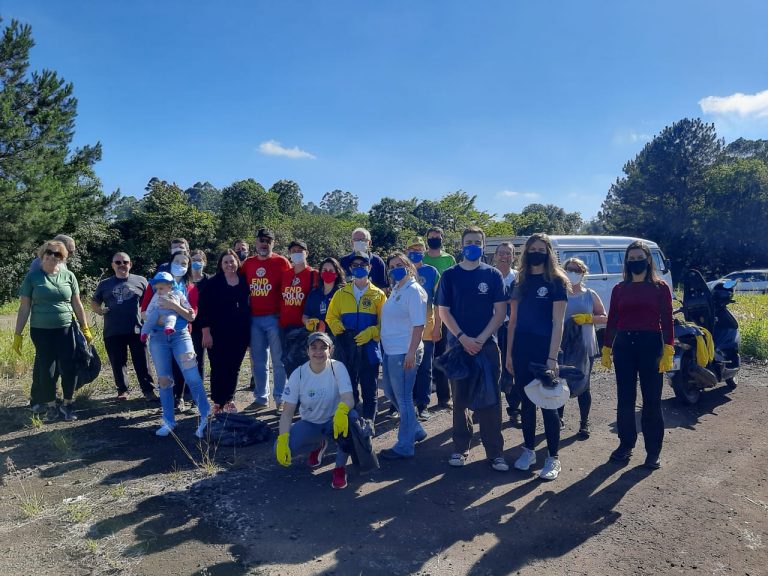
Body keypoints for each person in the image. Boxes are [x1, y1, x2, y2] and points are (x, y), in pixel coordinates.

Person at [436, 226, 508, 472]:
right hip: (458, 348)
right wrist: (463, 338)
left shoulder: (493, 275)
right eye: (469, 242)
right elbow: (444, 312)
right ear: (461, 245)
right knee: (460, 400)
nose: (473, 246)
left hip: (487, 347)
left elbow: (500, 312)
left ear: (483, 245)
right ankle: (460, 448)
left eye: (477, 242)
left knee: (491, 400)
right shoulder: (449, 275)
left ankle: (495, 453)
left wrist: (480, 339)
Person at [602, 240, 674, 470]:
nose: (635, 262)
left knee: (651, 401)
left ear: (648, 260)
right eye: (631, 259)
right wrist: (607, 347)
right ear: (626, 262)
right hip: (624, 345)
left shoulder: (660, 287)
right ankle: (626, 444)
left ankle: (653, 451)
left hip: (650, 344)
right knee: (625, 399)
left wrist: (668, 348)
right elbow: (613, 319)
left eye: (639, 258)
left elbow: (667, 319)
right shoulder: (619, 288)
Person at [506, 233, 568, 481]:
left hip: (545, 350)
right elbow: (513, 321)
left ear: (549, 253)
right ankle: (529, 450)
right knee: (527, 402)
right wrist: (509, 354)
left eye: (541, 249)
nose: (536, 253)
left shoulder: (556, 281)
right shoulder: (519, 281)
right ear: (526, 252)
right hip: (521, 348)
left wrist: (552, 358)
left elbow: (558, 322)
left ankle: (553, 457)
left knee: (549, 403)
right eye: (532, 249)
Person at [13, 240, 93, 422]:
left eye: (57, 253)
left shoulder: (69, 276)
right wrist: (18, 335)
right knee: (46, 369)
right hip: (41, 330)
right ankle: (51, 406)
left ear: (62, 257)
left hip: (65, 329)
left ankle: (68, 404)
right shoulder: (32, 277)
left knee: (69, 366)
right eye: (49, 252)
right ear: (42, 254)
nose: (52, 256)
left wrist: (85, 327)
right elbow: (24, 307)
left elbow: (77, 304)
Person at [275, 332, 355, 489]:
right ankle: (318, 444)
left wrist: (342, 410)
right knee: (277, 449)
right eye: (314, 347)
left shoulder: (338, 367)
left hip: (334, 422)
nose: (318, 352)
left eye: (323, 347)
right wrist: (283, 438)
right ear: (307, 351)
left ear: (330, 350)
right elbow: (287, 412)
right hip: (311, 424)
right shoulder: (298, 374)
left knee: (352, 420)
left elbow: (349, 399)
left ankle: (340, 468)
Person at [143, 268, 211, 438]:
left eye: (184, 262)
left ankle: (206, 416)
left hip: (181, 336)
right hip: (158, 338)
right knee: (164, 380)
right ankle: (168, 421)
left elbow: (191, 316)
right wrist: (157, 320)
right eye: (176, 261)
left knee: (192, 376)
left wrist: (173, 306)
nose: (180, 265)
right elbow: (144, 312)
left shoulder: (187, 287)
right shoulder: (154, 289)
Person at [378, 252, 428, 460]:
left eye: (399, 264)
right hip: (391, 350)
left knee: (404, 398)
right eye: (392, 266)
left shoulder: (414, 290)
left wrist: (411, 352)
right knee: (391, 392)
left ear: (408, 265)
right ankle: (415, 429)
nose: (395, 269)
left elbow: (419, 325)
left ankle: (405, 446)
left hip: (404, 352)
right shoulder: (398, 289)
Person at [326, 252, 386, 422]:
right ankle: (351, 424)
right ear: (350, 269)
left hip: (369, 349)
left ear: (370, 267)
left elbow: (385, 323)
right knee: (349, 389)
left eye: (363, 265)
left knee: (370, 389)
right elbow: (331, 317)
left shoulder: (379, 295)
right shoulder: (341, 293)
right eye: (355, 265)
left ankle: (368, 423)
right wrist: (337, 326)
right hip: (346, 349)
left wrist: (373, 332)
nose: (359, 268)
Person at [91, 252, 157, 401]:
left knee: (142, 362)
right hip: (113, 330)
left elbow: (150, 302)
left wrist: (150, 318)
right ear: (113, 265)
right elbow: (94, 301)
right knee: (118, 362)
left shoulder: (141, 281)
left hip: (137, 329)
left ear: (130, 264)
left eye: (125, 262)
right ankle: (123, 390)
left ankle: (148, 391)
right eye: (118, 262)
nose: (122, 265)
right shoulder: (105, 284)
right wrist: (99, 310)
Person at [241, 227, 291, 410]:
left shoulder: (282, 262)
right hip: (254, 319)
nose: (264, 244)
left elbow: (291, 285)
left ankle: (280, 398)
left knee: (278, 361)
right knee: (259, 361)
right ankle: (261, 398)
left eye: (268, 241)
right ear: (256, 242)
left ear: (273, 243)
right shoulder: (248, 263)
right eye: (261, 240)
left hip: (275, 318)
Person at [559, 257, 607, 439]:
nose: (573, 273)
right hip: (562, 345)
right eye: (569, 269)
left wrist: (588, 319)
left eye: (577, 270)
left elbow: (604, 317)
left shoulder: (590, 294)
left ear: (583, 273)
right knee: (560, 382)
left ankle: (584, 422)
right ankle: (559, 418)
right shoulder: (559, 293)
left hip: (585, 345)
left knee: (584, 385)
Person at [197, 250, 251, 414]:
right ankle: (218, 402)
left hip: (240, 333)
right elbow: (204, 309)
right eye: (226, 262)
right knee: (218, 367)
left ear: (237, 262)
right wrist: (206, 333)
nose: (229, 265)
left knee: (234, 367)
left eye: (232, 261)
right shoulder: (213, 283)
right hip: (217, 333)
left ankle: (229, 400)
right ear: (221, 264)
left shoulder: (244, 282)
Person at [141, 239, 192, 411]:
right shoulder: (158, 278)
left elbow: (191, 310)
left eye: (181, 249)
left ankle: (179, 398)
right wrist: (155, 320)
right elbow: (145, 306)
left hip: (181, 330)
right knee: (164, 367)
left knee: (181, 365)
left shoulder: (188, 281)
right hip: (158, 332)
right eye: (174, 249)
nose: (179, 264)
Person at [406, 238, 441, 421]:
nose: (415, 252)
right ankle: (406, 403)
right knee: (407, 366)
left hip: (427, 327)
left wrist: (437, 327)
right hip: (406, 329)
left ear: (424, 251)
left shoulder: (432, 271)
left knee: (425, 368)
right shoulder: (401, 271)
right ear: (406, 251)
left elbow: (439, 302)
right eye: (412, 249)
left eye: (419, 249)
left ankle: (423, 405)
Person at [423, 226, 455, 410]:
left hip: (443, 312)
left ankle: (444, 397)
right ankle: (421, 398)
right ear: (427, 238)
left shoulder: (448, 259)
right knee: (423, 357)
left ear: (442, 238)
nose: (434, 239)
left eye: (438, 236)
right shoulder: (421, 258)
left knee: (442, 355)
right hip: (423, 314)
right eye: (431, 236)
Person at [279, 240, 318, 387]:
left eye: (300, 251)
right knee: (288, 363)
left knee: (306, 364)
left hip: (304, 327)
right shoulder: (285, 275)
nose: (296, 253)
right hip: (285, 326)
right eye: (293, 251)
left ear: (306, 253)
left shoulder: (314, 274)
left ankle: (309, 395)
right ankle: (295, 394)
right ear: (289, 254)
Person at [493, 242, 522, 427]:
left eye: (508, 253)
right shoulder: (488, 275)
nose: (504, 256)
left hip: (511, 329)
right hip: (490, 329)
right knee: (490, 369)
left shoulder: (519, 278)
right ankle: (486, 409)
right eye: (501, 253)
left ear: (513, 256)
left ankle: (514, 410)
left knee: (512, 368)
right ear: (495, 256)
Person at [303, 257, 346, 335]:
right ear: (321, 273)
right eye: (324, 270)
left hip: (336, 335)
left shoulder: (342, 293)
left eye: (331, 271)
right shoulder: (314, 293)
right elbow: (305, 316)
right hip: (315, 335)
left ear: (336, 274)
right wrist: (308, 322)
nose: (327, 272)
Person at [189, 249, 210, 380]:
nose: (196, 263)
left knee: (204, 360)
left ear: (204, 262)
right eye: (193, 260)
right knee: (192, 359)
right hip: (190, 325)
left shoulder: (210, 281)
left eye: (199, 260)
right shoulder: (185, 281)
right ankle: (190, 388)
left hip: (208, 325)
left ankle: (201, 388)